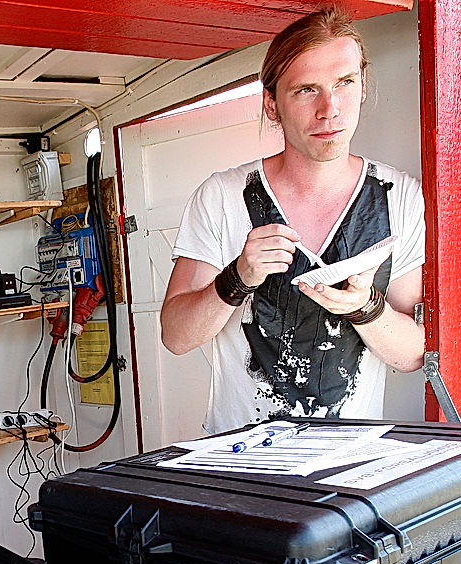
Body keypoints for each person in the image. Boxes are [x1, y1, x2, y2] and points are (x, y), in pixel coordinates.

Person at [160, 6, 425, 434]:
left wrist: (365, 307)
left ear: (362, 87)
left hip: (351, 465)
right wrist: (238, 277)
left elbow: (413, 355)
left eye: (345, 83)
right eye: (306, 90)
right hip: (241, 460)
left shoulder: (400, 197)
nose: (329, 109)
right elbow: (175, 335)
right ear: (272, 104)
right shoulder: (224, 196)